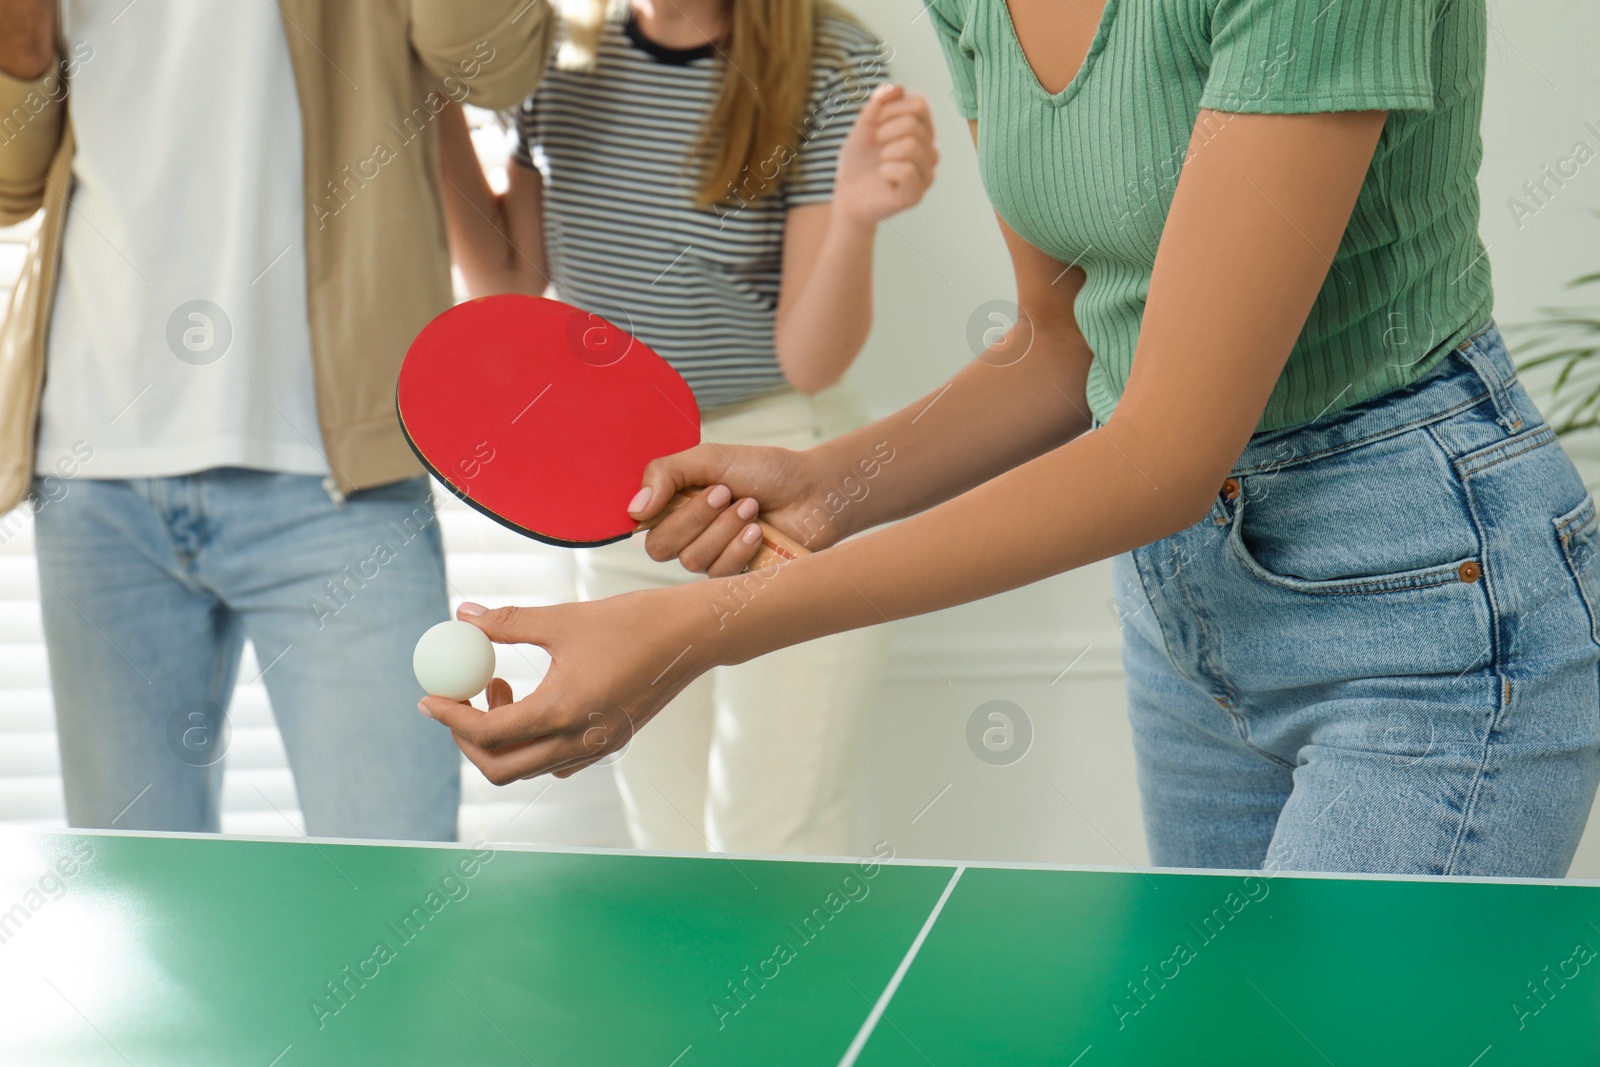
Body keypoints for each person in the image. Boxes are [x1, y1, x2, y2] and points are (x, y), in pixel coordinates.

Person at [421, 0, 1600, 878]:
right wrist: (832, 481)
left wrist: (702, 629)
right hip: (1185, 608)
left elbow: (1160, 452)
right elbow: (1063, 339)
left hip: (1421, 599)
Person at [0, 0, 554, 839]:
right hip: (96, 472)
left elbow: (499, 64)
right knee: (139, 908)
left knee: (395, 898)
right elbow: (13, 186)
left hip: (339, 477)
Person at [437, 0, 938, 855]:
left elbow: (810, 358)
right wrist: (429, 112)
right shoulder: (553, 58)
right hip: (625, 490)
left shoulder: (828, 59)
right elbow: (508, 287)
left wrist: (854, 217)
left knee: (774, 835)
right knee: (664, 837)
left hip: (783, 473)